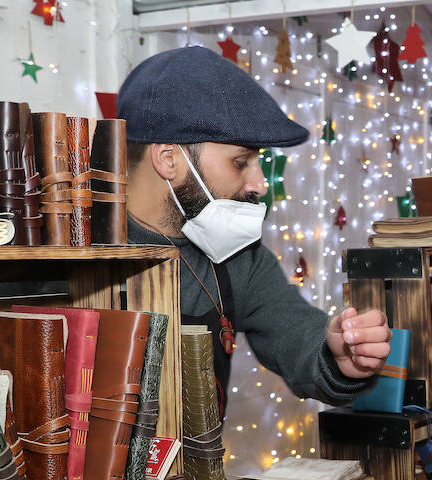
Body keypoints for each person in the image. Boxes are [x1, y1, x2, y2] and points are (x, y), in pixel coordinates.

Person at [118, 46, 389, 410]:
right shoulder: (53, 250)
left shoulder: (239, 260)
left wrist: (338, 356)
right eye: (241, 162)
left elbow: (298, 334)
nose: (259, 183)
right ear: (168, 159)